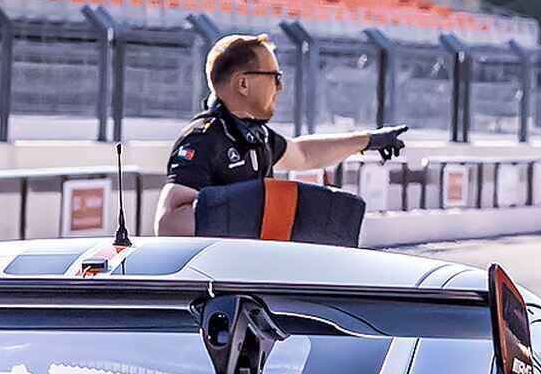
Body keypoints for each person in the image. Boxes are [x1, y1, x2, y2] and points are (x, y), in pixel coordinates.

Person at [155, 33, 406, 236]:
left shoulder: (257, 135)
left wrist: (368, 140)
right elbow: (167, 222)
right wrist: (251, 209)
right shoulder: (203, 139)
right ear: (243, 84)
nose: (280, 87)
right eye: (274, 77)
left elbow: (304, 154)